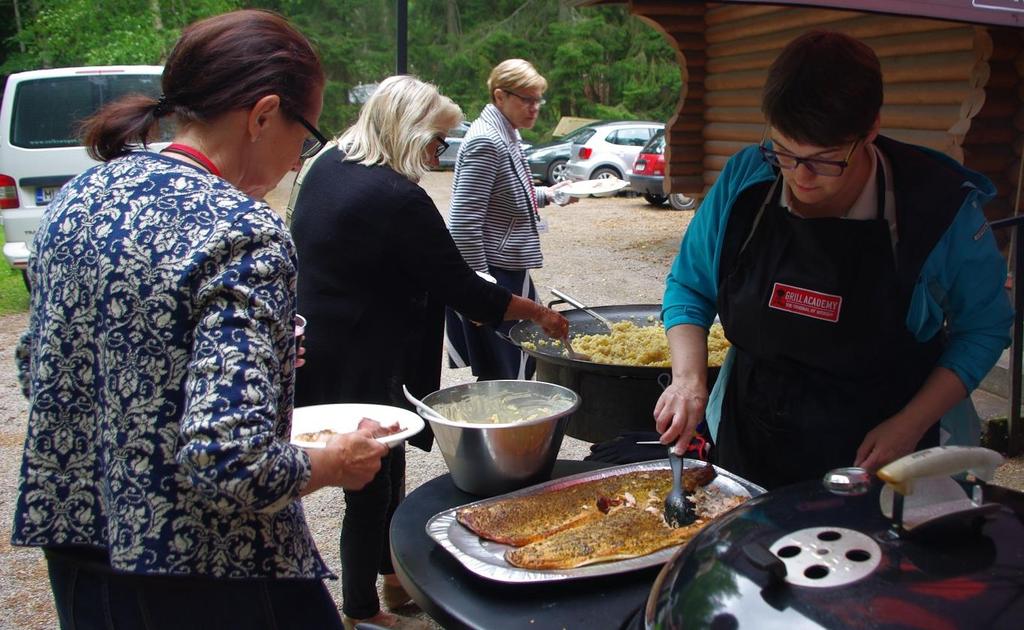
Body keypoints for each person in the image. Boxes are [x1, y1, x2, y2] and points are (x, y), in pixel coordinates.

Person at [11, 10, 389, 629]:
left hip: (83, 561)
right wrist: (335, 462)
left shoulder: (80, 196)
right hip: (209, 574)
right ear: (264, 115)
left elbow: (42, 369)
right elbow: (229, 457)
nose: (300, 161)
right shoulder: (243, 230)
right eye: (306, 134)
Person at [653, 30, 1013, 490]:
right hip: (751, 436)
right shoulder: (748, 178)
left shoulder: (937, 207)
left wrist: (909, 422)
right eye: (784, 151)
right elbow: (689, 285)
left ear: (870, 130)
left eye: (824, 160)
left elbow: (983, 328)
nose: (800, 176)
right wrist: (688, 380)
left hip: (883, 457)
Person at [289, 75, 568, 630]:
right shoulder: (395, 196)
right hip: (363, 352)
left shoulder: (328, 165)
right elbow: (460, 287)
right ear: (409, 131)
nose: (440, 154)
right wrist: (537, 312)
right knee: (370, 476)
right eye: (437, 141)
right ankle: (361, 610)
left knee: (384, 464)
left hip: (328, 341)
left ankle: (392, 579)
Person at [445, 58, 575, 381]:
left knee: (524, 359)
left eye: (538, 100)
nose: (535, 108)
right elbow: (463, 222)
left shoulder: (507, 133)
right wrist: (481, 287)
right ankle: (497, 432)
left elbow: (506, 197)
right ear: (500, 96)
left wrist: (550, 195)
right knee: (504, 374)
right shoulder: (486, 141)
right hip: (494, 273)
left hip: (510, 268)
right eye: (527, 99)